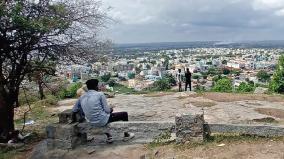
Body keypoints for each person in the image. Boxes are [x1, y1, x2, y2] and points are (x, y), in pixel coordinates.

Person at [72, 79, 134, 143]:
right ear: (96, 86)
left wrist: (73, 120)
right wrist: (111, 108)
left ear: (87, 87)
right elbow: (107, 111)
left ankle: (109, 136)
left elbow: (74, 110)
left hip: (90, 121)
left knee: (102, 114)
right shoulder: (100, 94)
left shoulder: (82, 97)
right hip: (102, 121)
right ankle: (127, 135)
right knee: (124, 114)